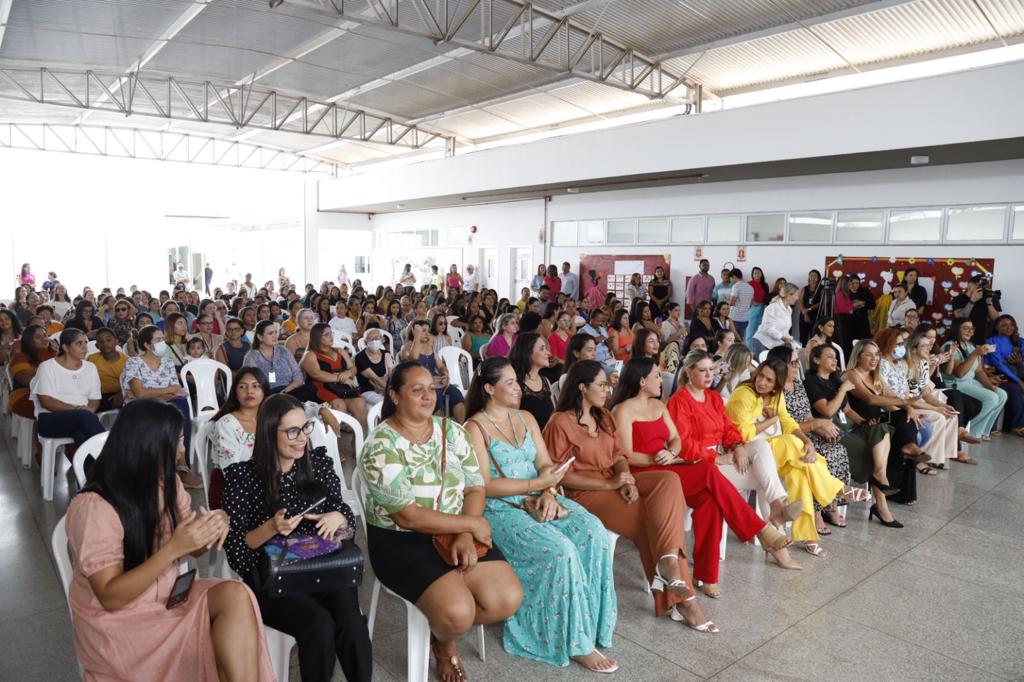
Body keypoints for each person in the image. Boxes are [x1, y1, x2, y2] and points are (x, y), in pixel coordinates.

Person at [66, 399, 273, 681]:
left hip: (167, 597)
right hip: (122, 625)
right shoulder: (95, 507)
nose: (183, 449)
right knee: (227, 647)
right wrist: (172, 549)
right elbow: (110, 597)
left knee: (237, 596)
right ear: (150, 446)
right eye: (177, 441)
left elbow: (195, 548)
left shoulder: (168, 484)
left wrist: (217, 523)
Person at [358, 362, 523, 681]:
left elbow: (475, 486)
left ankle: (443, 614)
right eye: (415, 389)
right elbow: (408, 515)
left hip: (459, 526)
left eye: (430, 389)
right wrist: (470, 525)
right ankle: (444, 646)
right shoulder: (380, 445)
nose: (426, 395)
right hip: (401, 539)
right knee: (458, 614)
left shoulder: (453, 432)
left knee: (506, 599)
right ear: (394, 395)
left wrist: (465, 528)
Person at [463, 358, 617, 671]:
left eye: (516, 382)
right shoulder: (474, 428)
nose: (517, 388)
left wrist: (548, 491)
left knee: (594, 532)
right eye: (508, 382)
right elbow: (484, 486)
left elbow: (546, 465)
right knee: (561, 550)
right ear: (489, 388)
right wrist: (538, 484)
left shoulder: (526, 418)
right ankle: (572, 640)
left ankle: (591, 624)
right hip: (501, 509)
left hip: (539, 496)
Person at [543, 361, 717, 632]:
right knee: (650, 517)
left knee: (669, 480)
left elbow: (619, 456)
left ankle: (668, 563)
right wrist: (612, 483)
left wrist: (623, 478)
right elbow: (559, 475)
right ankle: (685, 601)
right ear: (582, 388)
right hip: (586, 493)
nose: (607, 388)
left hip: (612, 483)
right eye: (601, 384)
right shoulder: (560, 422)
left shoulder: (603, 416)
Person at [612, 358, 798, 596]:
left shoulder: (658, 406)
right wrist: (658, 459)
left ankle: (706, 575)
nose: (662, 380)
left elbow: (676, 440)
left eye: (712, 370)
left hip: (672, 465)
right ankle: (761, 530)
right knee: (710, 471)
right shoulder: (624, 410)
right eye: (657, 376)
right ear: (641, 381)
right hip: (645, 472)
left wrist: (671, 453)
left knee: (710, 501)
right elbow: (626, 454)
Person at [223, 394, 372, 682]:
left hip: (322, 567)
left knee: (351, 621)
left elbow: (341, 508)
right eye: (292, 431)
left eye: (305, 428)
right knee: (318, 625)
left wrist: (338, 517)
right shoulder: (242, 477)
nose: (301, 438)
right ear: (269, 433)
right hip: (272, 578)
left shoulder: (316, 462)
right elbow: (237, 553)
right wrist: (271, 528)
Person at [726, 358, 869, 557]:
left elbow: (789, 422)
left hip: (771, 452)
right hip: (746, 453)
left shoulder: (775, 396)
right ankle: (836, 488)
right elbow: (743, 434)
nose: (762, 383)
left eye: (769, 380)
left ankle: (809, 537)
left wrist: (808, 442)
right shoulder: (745, 394)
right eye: (761, 376)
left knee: (799, 473)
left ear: (777, 384)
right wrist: (772, 420)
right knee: (791, 443)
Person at [804, 344, 902, 527]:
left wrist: (863, 422)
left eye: (835, 357)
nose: (835, 360)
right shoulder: (812, 382)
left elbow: (848, 411)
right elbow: (826, 411)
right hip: (831, 429)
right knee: (871, 451)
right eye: (830, 357)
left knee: (881, 428)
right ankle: (881, 498)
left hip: (849, 426)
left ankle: (880, 475)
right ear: (816, 360)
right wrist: (842, 391)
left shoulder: (835, 380)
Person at [122, 325, 202, 488]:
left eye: (162, 339)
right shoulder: (134, 362)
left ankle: (181, 466)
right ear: (147, 344)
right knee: (172, 407)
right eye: (158, 340)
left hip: (166, 404)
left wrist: (158, 392)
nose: (162, 343)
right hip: (140, 407)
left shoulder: (167, 362)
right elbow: (140, 394)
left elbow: (176, 391)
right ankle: (164, 470)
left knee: (179, 404)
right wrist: (168, 390)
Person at [844, 340, 921, 507]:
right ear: (858, 357)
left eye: (877, 355)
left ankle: (909, 448)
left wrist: (908, 407)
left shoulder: (876, 376)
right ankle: (908, 448)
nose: (874, 359)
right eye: (869, 355)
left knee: (905, 419)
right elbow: (871, 399)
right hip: (861, 422)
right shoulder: (852, 374)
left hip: (878, 420)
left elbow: (891, 395)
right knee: (900, 425)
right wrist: (904, 402)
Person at [876, 327, 959, 472]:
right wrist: (932, 408)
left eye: (903, 344)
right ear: (914, 349)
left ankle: (938, 456)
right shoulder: (899, 365)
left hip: (906, 404)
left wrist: (940, 405)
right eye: (925, 346)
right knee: (937, 418)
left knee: (949, 414)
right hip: (893, 408)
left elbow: (918, 393)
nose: (929, 348)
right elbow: (900, 397)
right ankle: (922, 460)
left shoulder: (916, 364)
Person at [31, 328, 105, 453]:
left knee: (81, 435)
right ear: (65, 347)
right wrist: (78, 410)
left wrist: (89, 410)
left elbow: (94, 399)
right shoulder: (47, 367)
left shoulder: (90, 368)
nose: (85, 348)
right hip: (50, 419)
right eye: (79, 343)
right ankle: (115, 454)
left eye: (86, 343)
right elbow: (46, 401)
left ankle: (94, 471)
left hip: (82, 418)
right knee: (84, 418)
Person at [941, 318, 1007, 441]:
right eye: (966, 328)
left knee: (1001, 394)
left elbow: (979, 371)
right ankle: (970, 432)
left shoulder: (970, 346)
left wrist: (990, 386)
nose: (970, 331)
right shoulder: (950, 346)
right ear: (957, 329)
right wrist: (975, 354)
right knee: (991, 398)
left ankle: (984, 432)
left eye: (972, 329)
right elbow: (959, 373)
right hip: (956, 383)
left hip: (970, 382)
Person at [300, 323, 368, 428]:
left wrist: (347, 374)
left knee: (360, 403)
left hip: (342, 389)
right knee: (339, 405)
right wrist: (342, 379)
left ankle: (358, 440)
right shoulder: (310, 354)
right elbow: (317, 374)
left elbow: (353, 368)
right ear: (317, 337)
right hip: (320, 388)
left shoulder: (340, 351)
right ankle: (336, 440)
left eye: (331, 333)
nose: (331, 337)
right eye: (326, 334)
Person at [400, 319, 466, 422]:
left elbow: (441, 366)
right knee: (436, 396)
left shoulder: (430, 348)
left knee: (455, 393)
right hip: (419, 384)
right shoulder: (407, 346)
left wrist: (445, 375)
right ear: (415, 331)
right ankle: (438, 430)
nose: (427, 333)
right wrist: (416, 337)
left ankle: (461, 427)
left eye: (428, 331)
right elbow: (413, 357)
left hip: (436, 381)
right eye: (423, 331)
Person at [243, 320, 317, 401]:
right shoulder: (252, 357)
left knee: (313, 387)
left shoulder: (283, 350)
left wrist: (287, 389)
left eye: (276, 332)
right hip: (267, 396)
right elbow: (249, 382)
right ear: (260, 337)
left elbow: (298, 374)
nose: (275, 336)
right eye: (271, 333)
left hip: (289, 391)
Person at [509, 333, 556, 429]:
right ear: (528, 353)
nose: (548, 353)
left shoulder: (545, 380)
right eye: (542, 349)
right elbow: (513, 423)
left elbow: (554, 416)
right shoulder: (515, 384)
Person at [9, 324, 55, 418]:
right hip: (25, 395)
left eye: (45, 335)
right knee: (59, 408)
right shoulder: (20, 357)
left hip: (53, 393)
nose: (44, 339)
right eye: (38, 337)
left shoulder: (53, 353)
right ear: (29, 341)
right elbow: (30, 382)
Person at [751, 283, 799, 356]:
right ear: (789, 295)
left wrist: (791, 340)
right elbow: (768, 328)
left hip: (775, 345)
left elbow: (784, 330)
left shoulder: (789, 309)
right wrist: (783, 338)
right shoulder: (773, 307)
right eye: (796, 295)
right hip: (763, 343)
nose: (797, 298)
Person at [88, 328, 127, 411]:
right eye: (101, 341)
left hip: (120, 393)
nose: (105, 343)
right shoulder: (92, 359)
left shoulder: (127, 361)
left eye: (109, 340)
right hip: (98, 395)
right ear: (96, 346)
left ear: (116, 341)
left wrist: (121, 394)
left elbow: (131, 384)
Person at [838, 275, 875, 357]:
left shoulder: (864, 291)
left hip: (862, 322)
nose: (854, 285)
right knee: (850, 345)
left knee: (864, 344)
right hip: (850, 323)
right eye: (852, 283)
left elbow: (872, 304)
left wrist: (862, 303)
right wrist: (856, 305)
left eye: (857, 283)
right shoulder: (845, 293)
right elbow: (845, 308)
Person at [354, 327, 392, 407]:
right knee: (386, 402)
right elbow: (375, 379)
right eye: (370, 339)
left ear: (382, 340)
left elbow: (392, 375)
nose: (374, 341)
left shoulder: (386, 354)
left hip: (386, 388)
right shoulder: (360, 357)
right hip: (368, 391)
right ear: (365, 342)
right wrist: (391, 392)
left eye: (377, 338)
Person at [744, 267, 769, 347]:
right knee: (751, 330)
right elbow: (745, 296)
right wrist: (752, 302)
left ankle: (758, 351)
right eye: (755, 273)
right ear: (752, 275)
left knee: (760, 331)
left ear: (761, 274)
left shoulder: (765, 285)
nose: (757, 274)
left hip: (763, 308)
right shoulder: (749, 284)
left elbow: (767, 297)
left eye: (759, 272)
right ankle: (749, 350)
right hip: (753, 309)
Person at [798, 269, 823, 344]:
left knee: (815, 336)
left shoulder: (822, 289)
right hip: (804, 314)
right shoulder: (804, 288)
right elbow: (800, 301)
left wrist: (809, 309)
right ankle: (803, 351)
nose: (813, 277)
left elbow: (821, 302)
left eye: (815, 276)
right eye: (811, 276)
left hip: (816, 315)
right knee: (803, 336)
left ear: (819, 278)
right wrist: (805, 313)